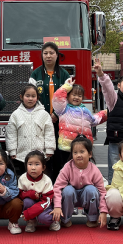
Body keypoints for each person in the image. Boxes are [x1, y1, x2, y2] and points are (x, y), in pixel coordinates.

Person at [29, 42, 71, 178]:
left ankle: (60, 184)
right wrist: (45, 115)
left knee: (60, 154)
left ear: (57, 55)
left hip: (61, 122)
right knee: (44, 154)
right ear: (42, 55)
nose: (48, 56)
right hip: (42, 121)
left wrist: (56, 114)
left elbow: (68, 98)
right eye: (45, 53)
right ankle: (46, 185)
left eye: (51, 53)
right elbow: (32, 97)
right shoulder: (35, 74)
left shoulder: (64, 75)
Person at [52, 78, 107, 181]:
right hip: (67, 147)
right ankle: (67, 191)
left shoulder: (85, 110)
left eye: (79, 95)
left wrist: (105, 113)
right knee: (67, 171)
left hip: (84, 147)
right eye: (74, 94)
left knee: (83, 171)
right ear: (68, 96)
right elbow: (57, 98)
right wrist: (66, 87)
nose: (77, 97)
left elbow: (94, 121)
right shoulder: (63, 109)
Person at [52, 136, 108, 228]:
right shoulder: (67, 167)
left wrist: (103, 211)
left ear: (90, 154)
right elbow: (57, 187)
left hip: (87, 197)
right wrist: (57, 206)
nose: (78, 155)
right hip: (70, 197)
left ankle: (92, 217)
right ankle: (65, 218)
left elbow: (102, 192)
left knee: (92, 190)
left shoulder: (94, 170)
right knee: (67, 190)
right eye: (75, 152)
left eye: (82, 152)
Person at [6, 84, 55, 177]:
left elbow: (49, 132)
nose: (30, 99)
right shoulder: (16, 115)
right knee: (23, 178)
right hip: (22, 155)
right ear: (21, 97)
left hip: (40, 154)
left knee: (40, 178)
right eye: (27, 96)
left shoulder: (44, 114)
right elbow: (11, 134)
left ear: (38, 97)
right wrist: (12, 151)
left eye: (33, 96)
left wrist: (49, 149)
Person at [17, 150, 58, 232]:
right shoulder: (22, 178)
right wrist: (30, 194)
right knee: (27, 202)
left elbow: (46, 201)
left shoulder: (47, 180)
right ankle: (31, 222)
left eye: (37, 164)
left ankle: (54, 221)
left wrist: (29, 213)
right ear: (26, 166)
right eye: (30, 164)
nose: (33, 168)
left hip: (46, 205)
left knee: (43, 218)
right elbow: (20, 194)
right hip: (32, 203)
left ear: (43, 167)